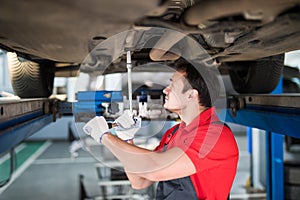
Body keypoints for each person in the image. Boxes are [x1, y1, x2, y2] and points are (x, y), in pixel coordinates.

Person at [84, 59, 239, 199]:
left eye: (173, 86)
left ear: (191, 95)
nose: (165, 90)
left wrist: (105, 137)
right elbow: (139, 182)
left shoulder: (215, 136)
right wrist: (126, 139)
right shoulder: (173, 133)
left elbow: (154, 169)